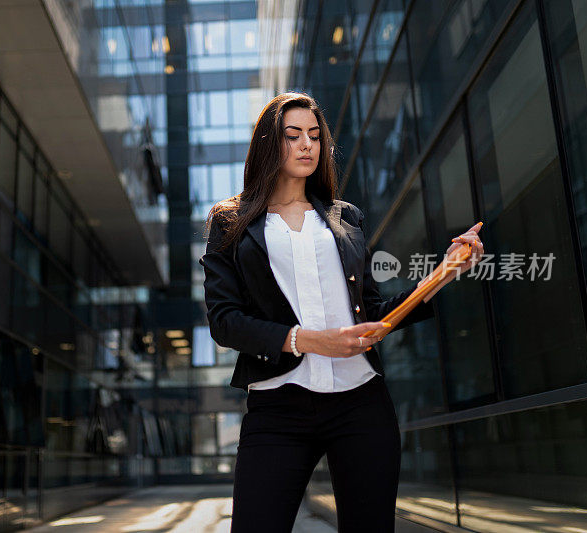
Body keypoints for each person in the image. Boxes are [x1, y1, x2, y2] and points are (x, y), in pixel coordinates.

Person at [198, 92, 484, 533]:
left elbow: (372, 310)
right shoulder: (231, 223)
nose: (307, 145)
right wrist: (309, 339)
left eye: (314, 135)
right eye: (292, 136)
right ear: (268, 144)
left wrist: (444, 272)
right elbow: (224, 321)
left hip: (361, 403)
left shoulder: (343, 216)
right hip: (278, 406)